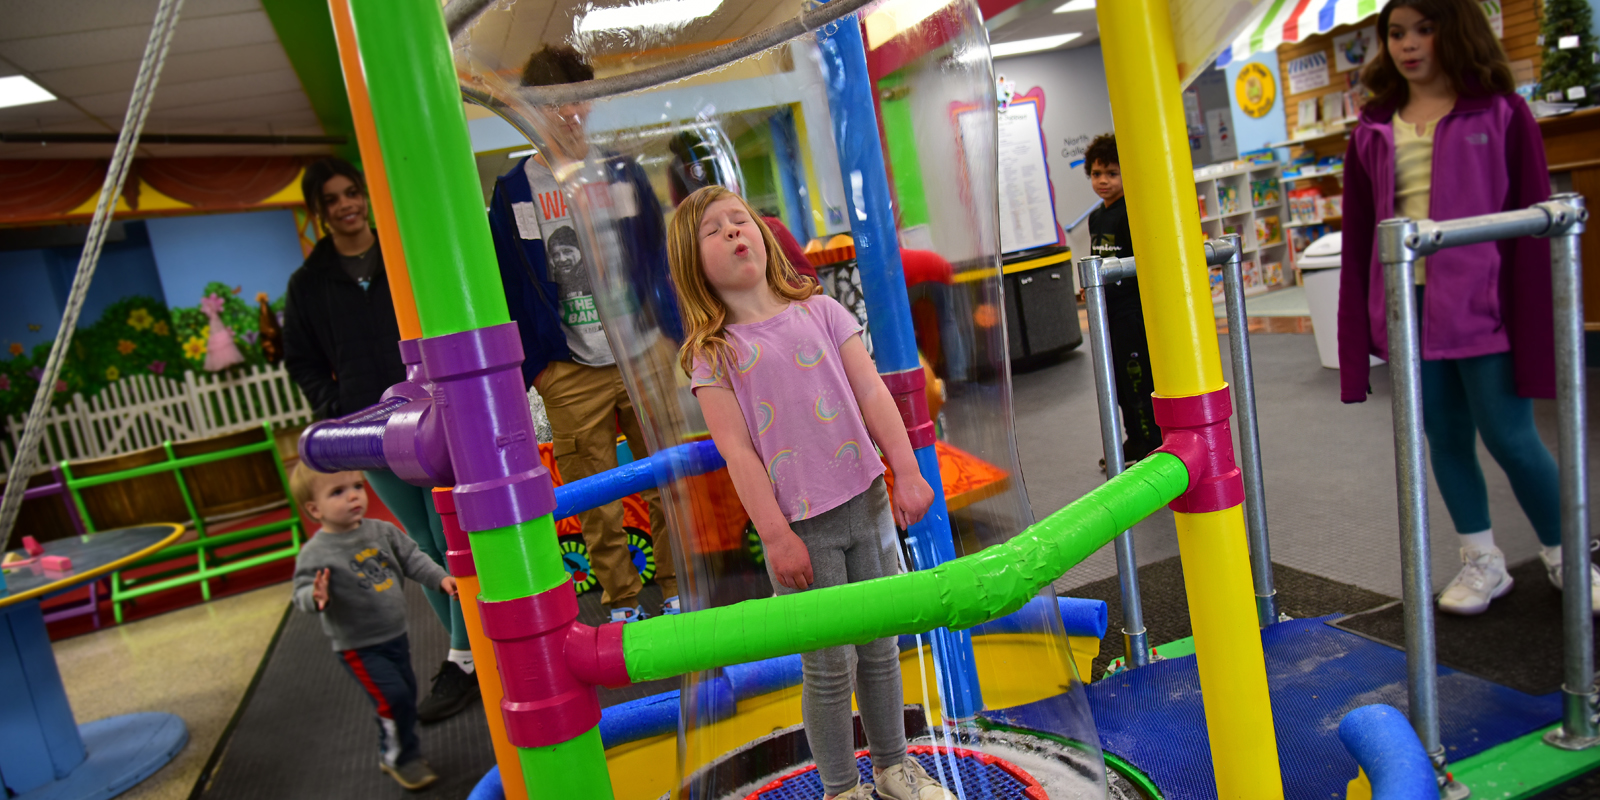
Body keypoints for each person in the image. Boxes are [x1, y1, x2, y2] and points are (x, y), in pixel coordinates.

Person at [667, 185, 952, 800]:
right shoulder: (713, 355)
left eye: (739, 219)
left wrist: (906, 470)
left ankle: (894, 766)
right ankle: (840, 787)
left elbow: (873, 392)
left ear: (763, 234)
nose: (732, 232)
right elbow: (737, 452)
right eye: (712, 231)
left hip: (868, 501)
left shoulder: (821, 311)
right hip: (802, 527)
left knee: (881, 646)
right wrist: (775, 536)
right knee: (827, 669)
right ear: (694, 264)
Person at [1338, 0, 1596, 615]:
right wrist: (1358, 330)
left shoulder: (1501, 113)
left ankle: (1566, 553)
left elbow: (1535, 218)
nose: (1409, 44)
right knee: (1445, 435)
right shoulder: (1373, 126)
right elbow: (1358, 235)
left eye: (1425, 29)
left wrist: (1540, 315)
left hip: (1485, 303)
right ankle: (1482, 561)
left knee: (1511, 435)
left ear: (1455, 32)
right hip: (1408, 304)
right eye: (1397, 33)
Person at [486, 45, 680, 622]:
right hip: (568, 366)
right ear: (532, 110)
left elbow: (654, 259)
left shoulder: (620, 171)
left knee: (666, 479)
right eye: (554, 105)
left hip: (641, 352)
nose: (569, 115)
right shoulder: (516, 188)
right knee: (595, 498)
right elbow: (508, 283)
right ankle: (622, 602)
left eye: (578, 102)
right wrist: (538, 366)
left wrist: (669, 333)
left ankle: (674, 589)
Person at [283, 158, 480, 720]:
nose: (346, 205)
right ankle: (465, 655)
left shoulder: (404, 258)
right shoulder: (308, 284)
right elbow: (301, 358)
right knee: (419, 543)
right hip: (369, 429)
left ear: (364, 197)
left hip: (429, 416)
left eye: (352, 193)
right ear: (319, 212)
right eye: (332, 200)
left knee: (452, 540)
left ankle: (467, 655)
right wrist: (336, 410)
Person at [289, 465, 457, 791]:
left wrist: (440, 578)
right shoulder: (317, 552)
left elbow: (413, 558)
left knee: (404, 696)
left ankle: (393, 746)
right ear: (314, 509)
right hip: (358, 646)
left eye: (357, 486)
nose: (353, 496)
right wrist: (315, 596)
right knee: (393, 697)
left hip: (396, 636)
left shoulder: (381, 531)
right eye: (337, 492)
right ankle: (400, 757)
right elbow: (301, 592)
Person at [1084, 134, 1161, 468]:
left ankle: (1152, 442)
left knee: (1138, 381)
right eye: (1097, 173)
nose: (1103, 181)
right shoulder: (1096, 217)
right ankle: (1135, 439)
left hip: (1132, 314)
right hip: (1107, 316)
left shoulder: (1132, 214)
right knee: (1117, 382)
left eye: (1112, 174)